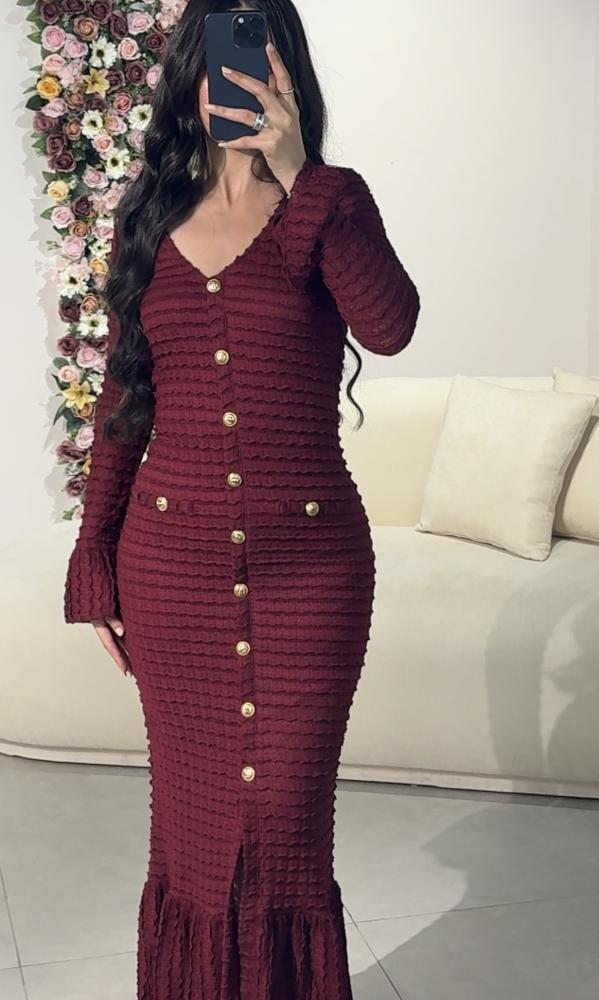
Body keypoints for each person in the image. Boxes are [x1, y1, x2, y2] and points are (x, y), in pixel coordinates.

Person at [63, 1, 420, 997]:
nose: (239, 77)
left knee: (285, 832)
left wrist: (299, 172)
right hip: (170, 577)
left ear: (287, 70)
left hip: (311, 578)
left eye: (260, 55)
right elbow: (123, 401)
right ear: (191, 72)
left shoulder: (329, 202)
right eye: (221, 56)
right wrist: (94, 557)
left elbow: (390, 325)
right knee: (191, 833)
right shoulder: (149, 217)